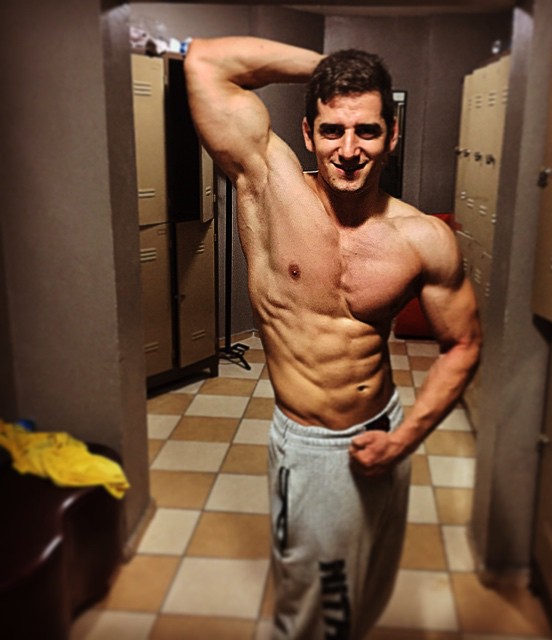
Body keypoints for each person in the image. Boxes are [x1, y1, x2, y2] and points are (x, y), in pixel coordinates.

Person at [185, 36, 481, 640]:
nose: (348, 151)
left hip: (386, 429)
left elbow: (463, 344)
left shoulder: (423, 238)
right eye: (331, 131)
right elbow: (206, 61)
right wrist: (332, 69)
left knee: (365, 599)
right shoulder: (266, 184)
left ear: (392, 135)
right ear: (308, 132)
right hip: (316, 449)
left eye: (367, 131)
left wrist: (404, 439)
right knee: (316, 615)